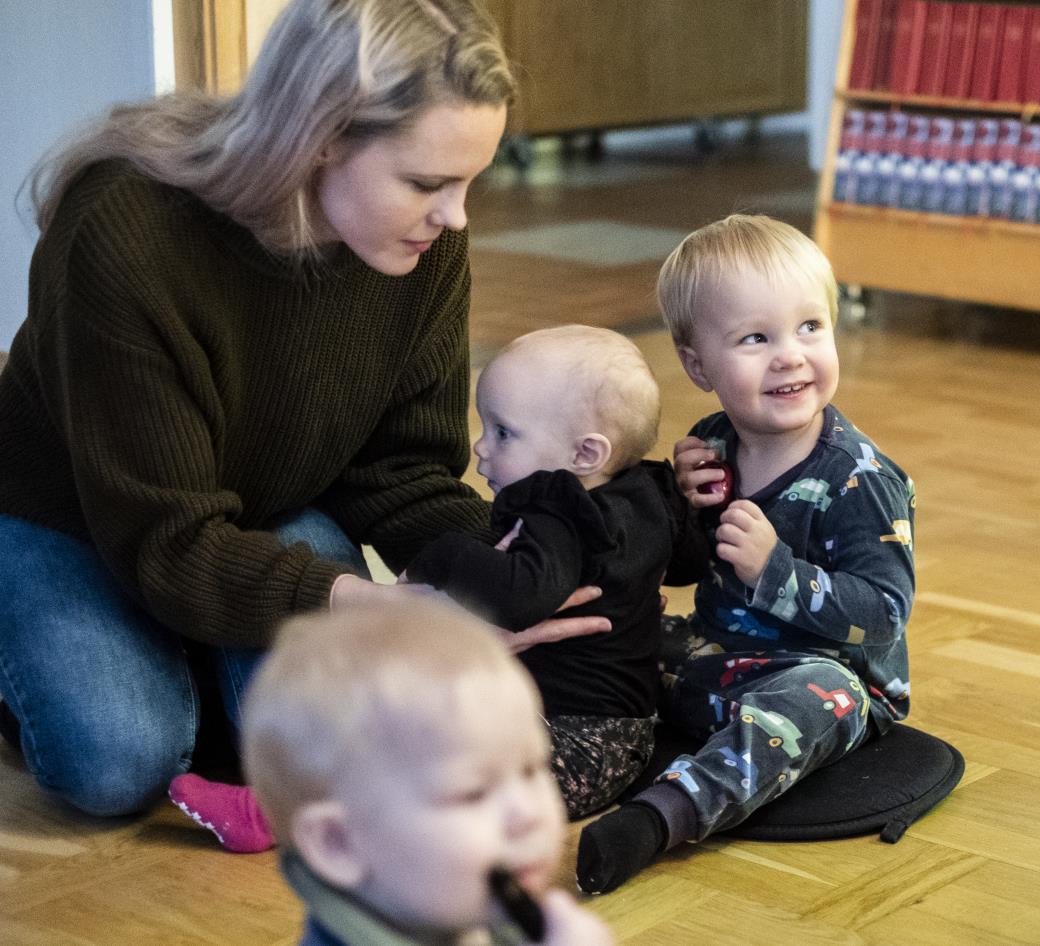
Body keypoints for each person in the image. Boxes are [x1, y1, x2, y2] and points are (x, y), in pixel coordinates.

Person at [0, 0, 606, 819]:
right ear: (319, 141)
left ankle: (198, 657)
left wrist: (515, 571)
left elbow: (400, 474)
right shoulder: (124, 233)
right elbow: (164, 539)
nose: (455, 216)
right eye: (427, 182)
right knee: (120, 762)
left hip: (262, 507)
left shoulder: (422, 245)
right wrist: (374, 606)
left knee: (325, 742)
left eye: (470, 181)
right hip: (77, 514)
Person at [169, 326, 711, 851]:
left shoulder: (558, 510)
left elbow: (521, 597)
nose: (481, 449)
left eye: (503, 432)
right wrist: (696, 508)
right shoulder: (650, 491)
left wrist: (444, 554)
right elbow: (686, 563)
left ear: (585, 455)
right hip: (627, 742)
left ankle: (279, 813)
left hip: (557, 749)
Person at [574, 214, 917, 894]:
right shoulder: (712, 442)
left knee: (819, 699)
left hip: (828, 680)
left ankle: (662, 816)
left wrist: (775, 572)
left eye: (809, 328)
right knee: (610, 631)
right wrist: (678, 506)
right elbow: (682, 572)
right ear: (698, 365)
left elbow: (883, 614)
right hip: (716, 654)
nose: (789, 354)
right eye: (755, 338)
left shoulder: (860, 479)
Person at [241, 597, 614, 946]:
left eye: (534, 769)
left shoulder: (452, 908)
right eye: (473, 792)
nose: (528, 814)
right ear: (340, 843)